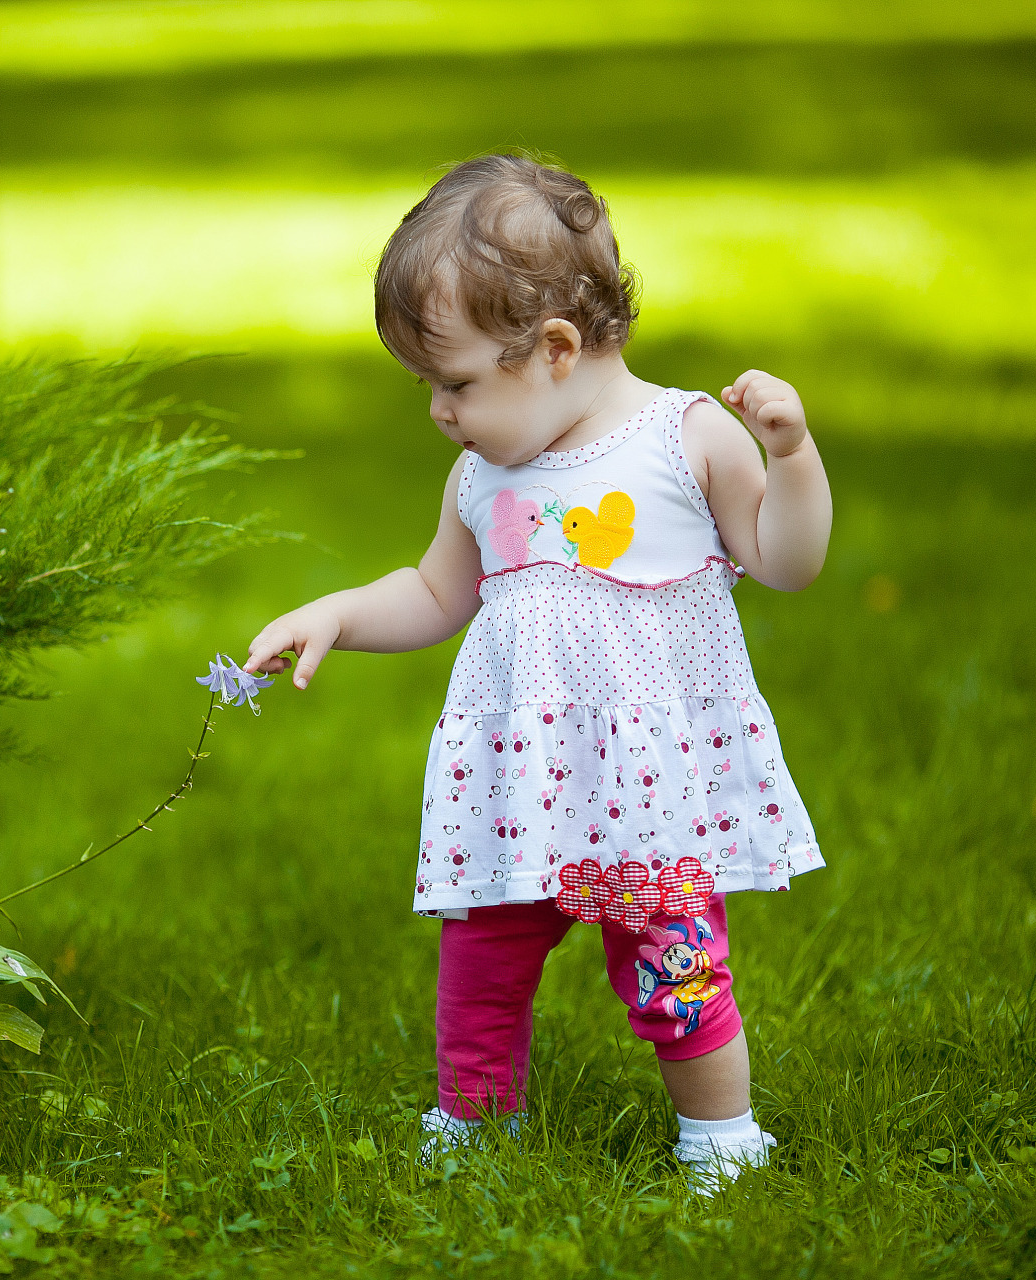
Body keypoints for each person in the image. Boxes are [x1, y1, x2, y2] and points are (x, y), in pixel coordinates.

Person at [241, 154, 832, 1192]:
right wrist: (336, 609)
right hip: (523, 785)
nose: (437, 409)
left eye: (456, 381)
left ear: (556, 349)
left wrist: (790, 459)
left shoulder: (686, 438)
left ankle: (720, 1137)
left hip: (647, 791)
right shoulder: (482, 472)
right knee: (482, 961)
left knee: (676, 967)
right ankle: (474, 1121)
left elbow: (787, 561)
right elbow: (435, 593)